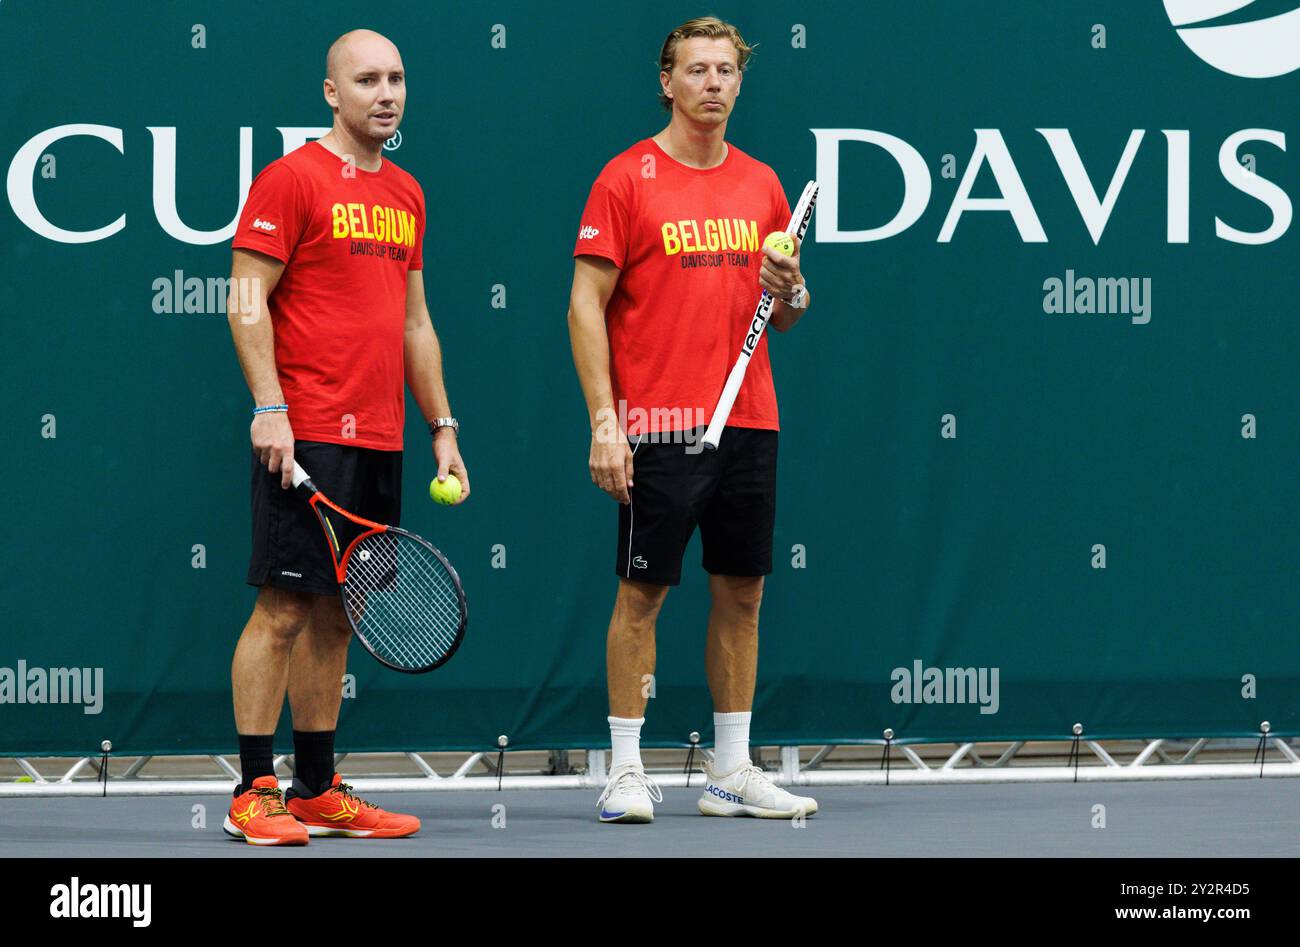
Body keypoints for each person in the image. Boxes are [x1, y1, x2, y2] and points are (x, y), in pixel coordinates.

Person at [568, 16, 817, 823]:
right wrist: (607, 422)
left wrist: (791, 288)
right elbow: (584, 305)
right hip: (661, 422)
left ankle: (731, 769)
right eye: (696, 70)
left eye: (726, 70)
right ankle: (627, 769)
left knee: (742, 593)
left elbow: (785, 314)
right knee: (642, 594)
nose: (713, 83)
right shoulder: (625, 178)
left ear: (741, 82)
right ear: (666, 81)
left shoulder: (763, 183)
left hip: (749, 420)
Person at [223, 29, 469, 845]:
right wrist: (269, 406)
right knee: (285, 607)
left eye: (397, 77)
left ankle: (318, 788)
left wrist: (441, 425)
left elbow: (415, 320)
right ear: (331, 92)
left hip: (382, 438)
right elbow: (245, 297)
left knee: (339, 617)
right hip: (307, 431)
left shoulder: (406, 191)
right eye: (367, 79)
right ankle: (253, 790)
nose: (386, 93)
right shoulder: (290, 179)